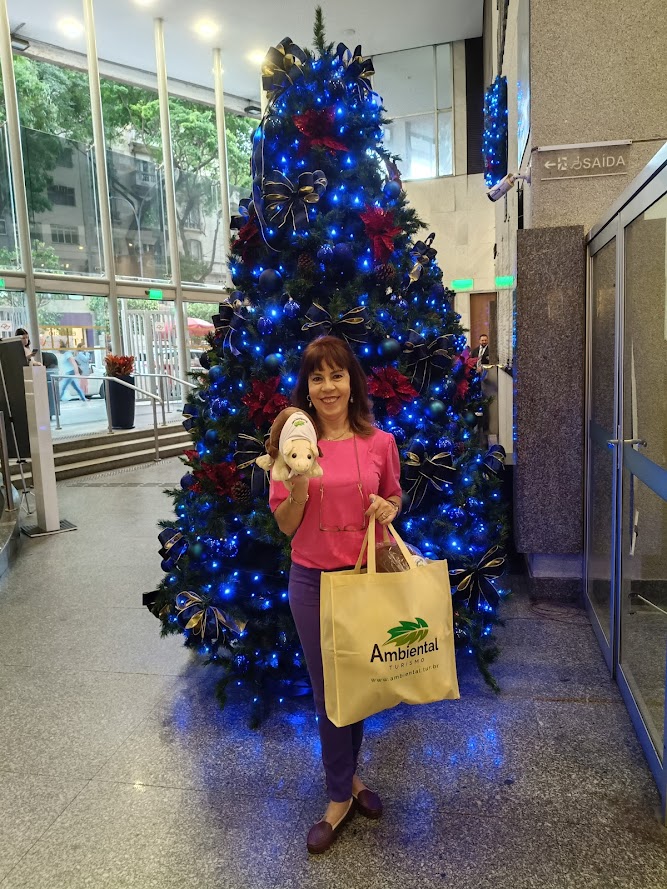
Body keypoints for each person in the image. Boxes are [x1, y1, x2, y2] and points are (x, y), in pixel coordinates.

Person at [269, 335, 402, 855]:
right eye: (317, 377)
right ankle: (338, 795)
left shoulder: (380, 443)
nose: (328, 387)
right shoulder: (292, 446)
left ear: (352, 382)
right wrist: (300, 488)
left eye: (337, 375)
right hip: (312, 583)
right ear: (307, 387)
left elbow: (393, 494)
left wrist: (389, 507)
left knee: (360, 685)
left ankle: (349, 778)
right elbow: (285, 526)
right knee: (329, 692)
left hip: (364, 579)